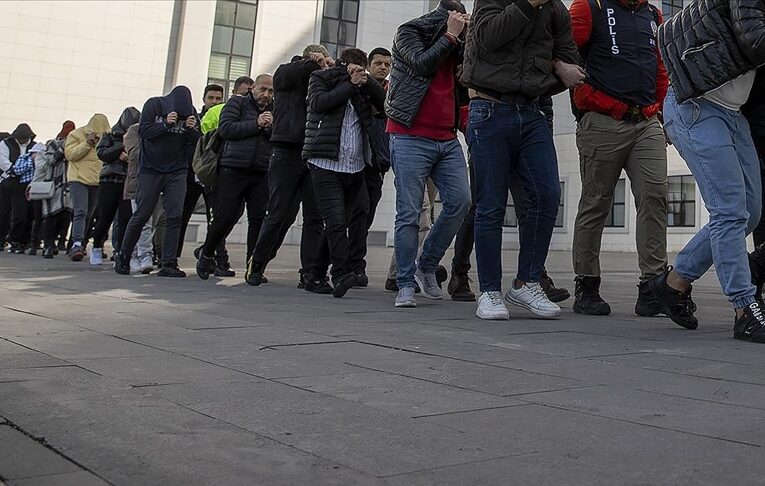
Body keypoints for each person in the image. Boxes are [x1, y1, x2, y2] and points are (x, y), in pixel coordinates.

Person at [648, 0, 765, 343]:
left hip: (732, 113)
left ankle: (674, 283)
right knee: (729, 211)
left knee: (751, 211)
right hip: (697, 107)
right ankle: (744, 309)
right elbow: (755, 38)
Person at [462, 0, 584, 320]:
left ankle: (526, 282)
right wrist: (528, 4)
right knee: (490, 204)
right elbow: (488, 38)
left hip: (532, 112)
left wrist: (555, 67)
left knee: (547, 194)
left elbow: (570, 61)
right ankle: (489, 291)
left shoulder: (556, 10)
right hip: (488, 109)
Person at [568, 0, 670, 317]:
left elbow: (660, 66)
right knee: (596, 201)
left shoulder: (652, 14)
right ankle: (587, 286)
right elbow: (564, 55)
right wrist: (586, 95)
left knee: (655, 196)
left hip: (647, 121)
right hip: (601, 121)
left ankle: (652, 286)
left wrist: (663, 112)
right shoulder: (588, 6)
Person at [386, 0, 472, 308]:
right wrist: (450, 35)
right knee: (409, 214)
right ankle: (405, 282)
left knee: (460, 202)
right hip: (409, 135)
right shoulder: (409, 31)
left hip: (446, 138)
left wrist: (465, 42)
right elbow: (421, 64)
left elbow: (465, 79)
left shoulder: (459, 42)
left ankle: (426, 266)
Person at [448, 98, 571, 304]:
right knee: (482, 207)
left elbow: (545, 102)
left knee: (531, 206)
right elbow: (463, 95)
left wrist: (541, 139)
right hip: (488, 129)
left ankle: (533, 276)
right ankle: (460, 272)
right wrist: (472, 130)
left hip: (527, 133)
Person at [244, 45, 333, 292]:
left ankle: (310, 273)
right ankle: (257, 264)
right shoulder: (286, 74)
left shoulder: (321, 80)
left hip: (314, 154)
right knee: (279, 213)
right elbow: (290, 73)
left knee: (315, 217)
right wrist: (313, 63)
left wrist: (330, 69)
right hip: (287, 151)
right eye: (319, 62)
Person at [303, 48, 386, 298]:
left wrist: (366, 80)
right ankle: (340, 273)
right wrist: (348, 82)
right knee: (336, 221)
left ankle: (315, 275)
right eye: (353, 67)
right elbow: (319, 103)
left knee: (348, 220)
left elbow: (384, 104)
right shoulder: (322, 78)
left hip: (356, 166)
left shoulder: (364, 87)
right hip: (325, 162)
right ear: (342, 65)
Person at [114, 85, 200, 277]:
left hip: (177, 170)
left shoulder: (191, 112)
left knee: (175, 215)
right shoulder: (154, 105)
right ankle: (124, 256)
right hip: (151, 169)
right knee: (142, 214)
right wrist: (166, 125)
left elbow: (196, 141)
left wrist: (191, 129)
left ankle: (169, 262)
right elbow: (143, 132)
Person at [196, 74, 274, 280]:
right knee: (224, 217)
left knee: (258, 220)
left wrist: (269, 128)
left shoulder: (274, 109)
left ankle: (254, 267)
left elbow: (277, 137)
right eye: (263, 89)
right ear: (253, 88)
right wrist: (256, 124)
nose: (266, 95)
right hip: (232, 168)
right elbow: (226, 128)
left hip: (260, 171)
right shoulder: (237, 103)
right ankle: (206, 254)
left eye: (271, 91)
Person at [347, 47, 393, 287]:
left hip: (377, 163)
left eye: (387, 64)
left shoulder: (392, 92)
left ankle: (352, 261)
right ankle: (354, 264)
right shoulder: (357, 85)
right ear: (369, 64)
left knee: (366, 215)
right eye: (378, 63)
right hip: (354, 161)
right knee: (357, 212)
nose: (383, 68)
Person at [90, 107, 141, 265]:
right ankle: (97, 246)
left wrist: (128, 158)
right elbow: (102, 154)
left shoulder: (139, 136)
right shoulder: (110, 136)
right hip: (110, 180)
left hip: (128, 181)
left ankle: (121, 252)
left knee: (125, 219)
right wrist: (120, 146)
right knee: (105, 217)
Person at [64, 114, 110, 261]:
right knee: (80, 212)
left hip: (96, 181)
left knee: (90, 215)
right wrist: (87, 143)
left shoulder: (107, 137)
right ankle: (77, 244)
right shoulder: (76, 134)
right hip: (77, 179)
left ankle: (79, 243)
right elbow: (70, 155)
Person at [32, 131, 72, 259]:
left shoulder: (75, 145)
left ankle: (56, 242)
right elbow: (50, 160)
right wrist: (62, 150)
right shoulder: (53, 145)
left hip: (68, 185)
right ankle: (47, 245)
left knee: (64, 215)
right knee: (50, 215)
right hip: (53, 184)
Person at [122, 122, 154, 274]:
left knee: (156, 222)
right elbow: (134, 154)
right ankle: (139, 255)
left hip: (159, 181)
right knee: (142, 220)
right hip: (138, 182)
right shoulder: (135, 129)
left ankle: (145, 254)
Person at [0, 123, 35, 252]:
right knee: (3, 212)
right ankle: (1, 239)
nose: (22, 141)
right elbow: (3, 161)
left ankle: (17, 240)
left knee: (21, 214)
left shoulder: (33, 146)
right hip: (8, 181)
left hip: (24, 184)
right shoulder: (6, 144)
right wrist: (14, 170)